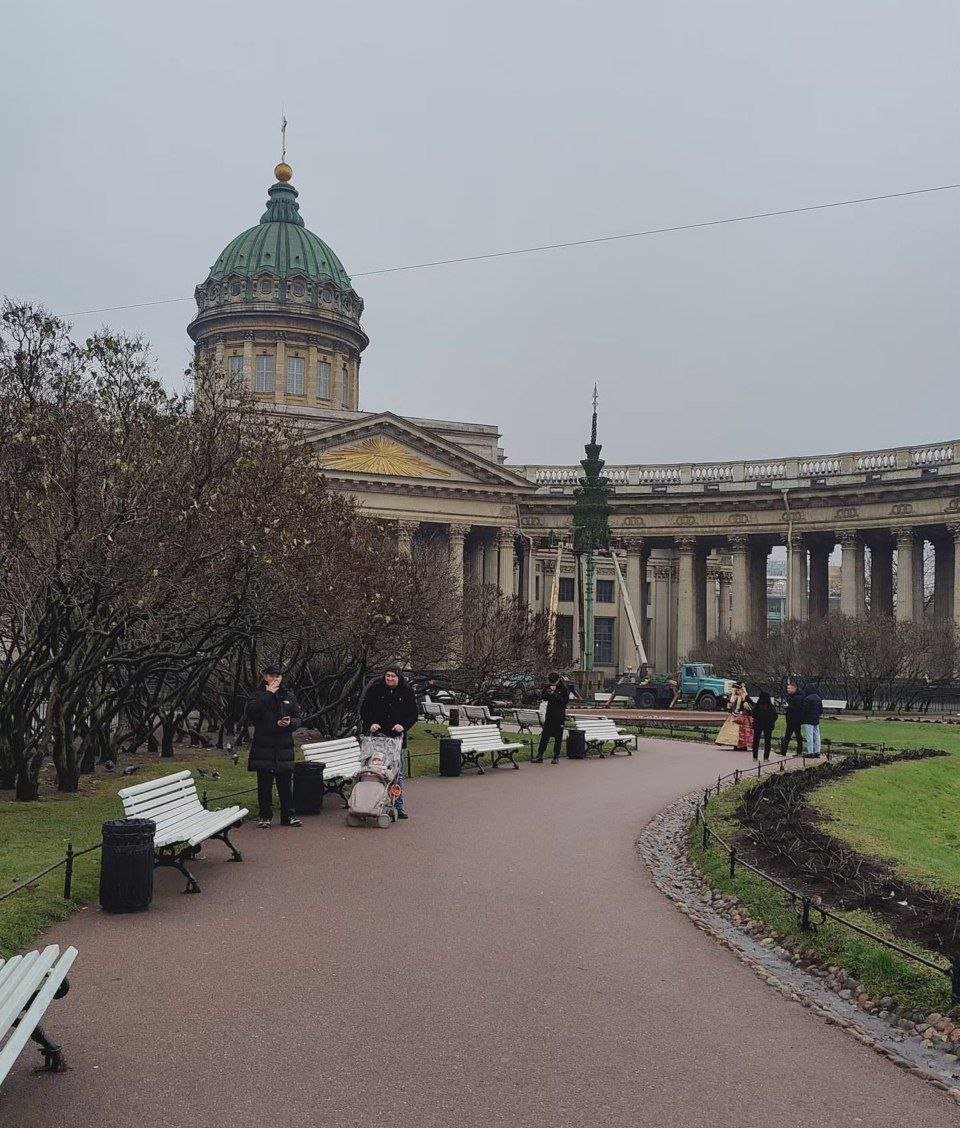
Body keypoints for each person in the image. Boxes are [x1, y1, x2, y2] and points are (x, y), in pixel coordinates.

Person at [244, 663, 303, 828]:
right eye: (271, 676)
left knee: (285, 784)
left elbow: (298, 717)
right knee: (264, 784)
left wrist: (290, 723)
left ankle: (288, 815)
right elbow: (252, 713)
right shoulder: (257, 695)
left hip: (283, 746)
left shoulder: (289, 696)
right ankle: (265, 816)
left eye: (277, 676)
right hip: (264, 744)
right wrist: (267, 695)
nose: (275, 679)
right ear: (265, 677)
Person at [360, 666, 419, 818]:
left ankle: (397, 805)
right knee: (373, 769)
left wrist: (403, 726)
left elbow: (412, 714)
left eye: (393, 676)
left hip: (396, 738)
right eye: (388, 676)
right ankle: (368, 801)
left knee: (396, 773)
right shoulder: (376, 689)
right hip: (377, 737)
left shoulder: (406, 692)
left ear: (399, 677)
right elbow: (365, 710)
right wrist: (370, 723)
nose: (390, 679)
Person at [535, 672, 570, 763]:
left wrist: (554, 694)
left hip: (559, 716)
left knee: (558, 737)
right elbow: (543, 697)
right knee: (545, 736)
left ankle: (556, 756)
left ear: (558, 680)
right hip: (550, 715)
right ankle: (540, 755)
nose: (552, 684)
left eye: (554, 682)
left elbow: (564, 701)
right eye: (551, 682)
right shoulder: (548, 686)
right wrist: (548, 693)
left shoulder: (563, 688)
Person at [750, 690, 778, 761]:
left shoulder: (757, 706)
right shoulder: (771, 707)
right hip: (768, 725)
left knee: (756, 740)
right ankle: (766, 757)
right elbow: (775, 716)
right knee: (767, 741)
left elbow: (753, 714)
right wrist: (771, 721)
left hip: (758, 724)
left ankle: (755, 757)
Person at [780, 680, 804, 756]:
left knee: (796, 736)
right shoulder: (791, 697)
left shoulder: (798, 697)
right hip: (790, 719)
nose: (788, 690)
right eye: (787, 688)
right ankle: (784, 751)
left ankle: (798, 751)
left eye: (789, 688)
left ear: (794, 688)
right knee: (789, 735)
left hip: (795, 719)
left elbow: (798, 708)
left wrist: (788, 707)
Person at [801, 683, 824, 758]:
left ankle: (810, 752)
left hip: (808, 719)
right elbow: (821, 710)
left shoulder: (807, 699)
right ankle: (817, 751)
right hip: (816, 719)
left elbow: (804, 710)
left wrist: (803, 717)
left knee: (809, 736)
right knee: (817, 735)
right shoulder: (818, 698)